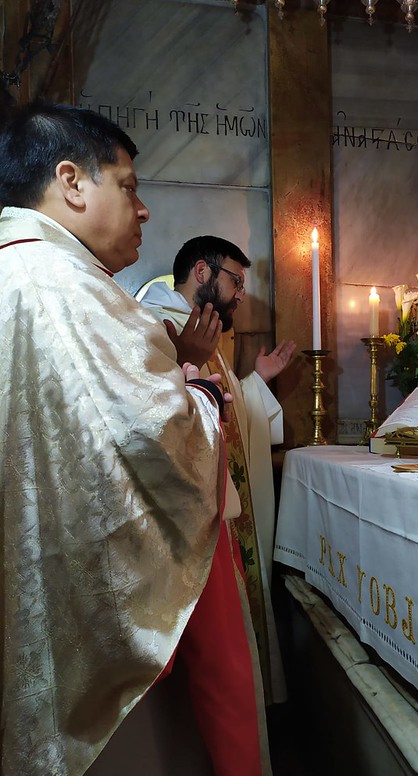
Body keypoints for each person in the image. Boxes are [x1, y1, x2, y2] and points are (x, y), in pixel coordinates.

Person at [0, 102, 273, 776]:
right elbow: (159, 439)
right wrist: (203, 394)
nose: (144, 210)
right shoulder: (79, 292)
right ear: (71, 181)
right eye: (128, 185)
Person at [140, 236, 296, 704]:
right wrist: (184, 362)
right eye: (236, 280)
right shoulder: (154, 319)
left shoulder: (201, 328)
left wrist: (255, 382)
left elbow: (222, 412)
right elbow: (153, 416)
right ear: (203, 273)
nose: (241, 294)